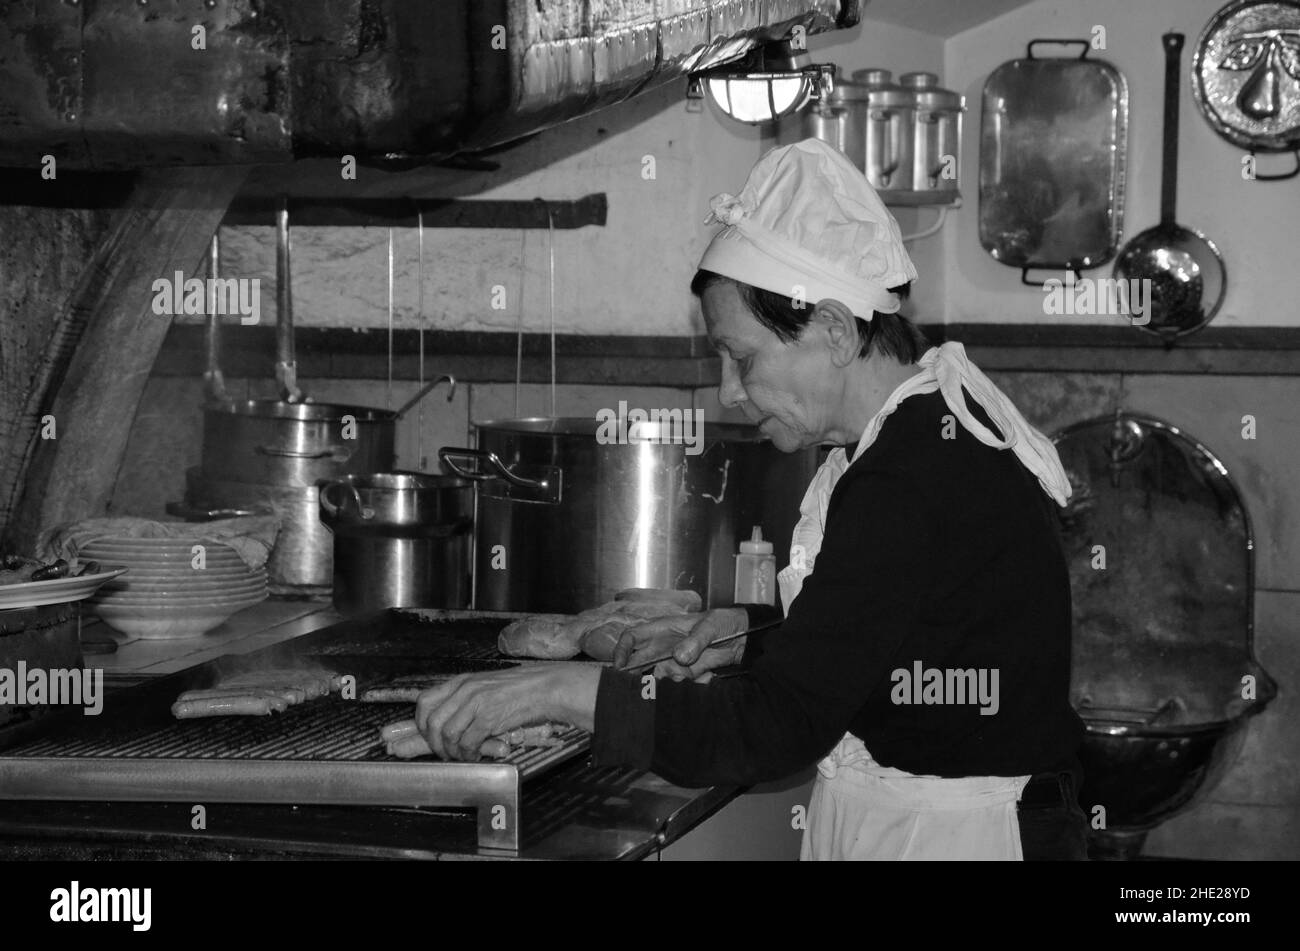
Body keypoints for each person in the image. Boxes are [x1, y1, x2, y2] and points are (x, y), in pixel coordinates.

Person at [413, 138, 1089, 860]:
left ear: (833, 329)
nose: (730, 392)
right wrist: (751, 627)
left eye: (743, 358)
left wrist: (564, 691)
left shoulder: (911, 472)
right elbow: (891, 626)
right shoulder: (916, 435)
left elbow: (776, 728)